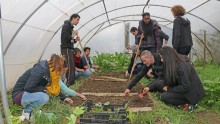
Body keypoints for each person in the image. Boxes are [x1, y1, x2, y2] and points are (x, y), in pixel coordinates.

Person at [12, 54, 73, 120]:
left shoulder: (52, 72)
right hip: (19, 95)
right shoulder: (41, 70)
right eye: (63, 71)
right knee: (43, 97)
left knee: (44, 95)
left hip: (27, 95)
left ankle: (34, 111)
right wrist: (44, 90)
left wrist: (64, 97)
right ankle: (27, 112)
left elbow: (53, 87)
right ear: (59, 67)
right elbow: (28, 87)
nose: (63, 73)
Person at [156, 47, 204, 112]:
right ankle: (178, 99)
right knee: (159, 84)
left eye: (162, 58)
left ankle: (188, 103)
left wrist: (169, 89)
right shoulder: (173, 65)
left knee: (164, 97)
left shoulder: (182, 66)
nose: (161, 60)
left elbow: (185, 87)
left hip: (191, 93)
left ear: (168, 57)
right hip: (183, 88)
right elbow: (164, 78)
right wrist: (148, 87)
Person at [60, 13, 81, 86]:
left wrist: (75, 40)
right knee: (69, 66)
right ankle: (68, 83)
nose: (78, 21)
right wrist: (73, 34)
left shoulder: (70, 27)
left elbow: (70, 40)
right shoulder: (66, 26)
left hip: (69, 48)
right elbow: (66, 38)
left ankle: (70, 82)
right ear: (73, 18)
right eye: (77, 20)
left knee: (70, 65)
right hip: (66, 49)